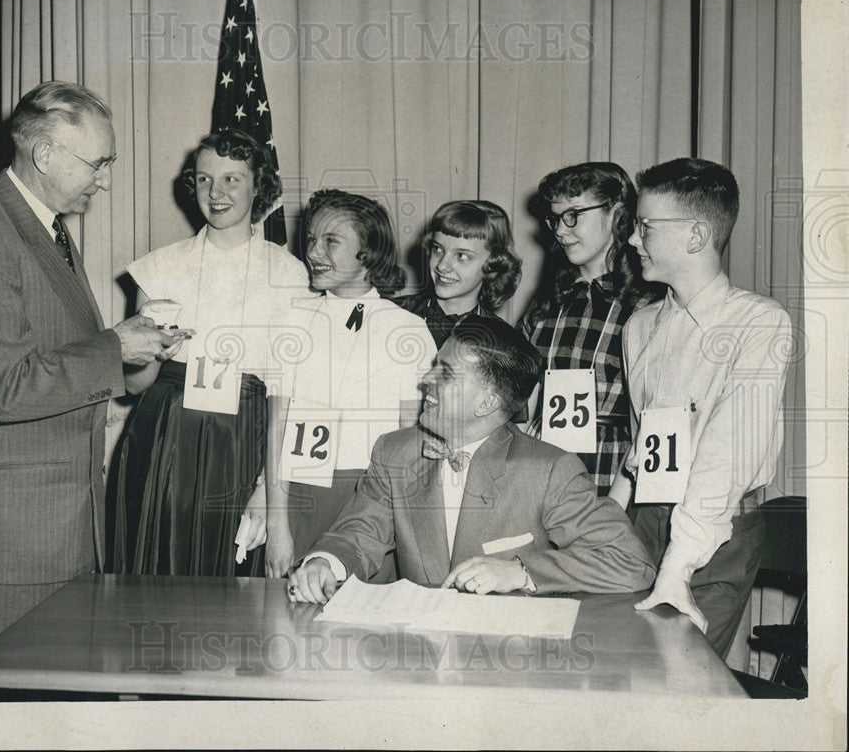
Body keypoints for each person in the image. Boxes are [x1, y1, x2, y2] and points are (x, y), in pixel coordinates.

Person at [0, 81, 179, 664]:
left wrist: (127, 350)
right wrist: (114, 345)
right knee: (11, 709)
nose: (106, 178)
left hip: (59, 525)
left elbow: (57, 352)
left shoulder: (42, 225)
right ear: (45, 156)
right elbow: (4, 388)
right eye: (99, 162)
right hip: (10, 540)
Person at [287, 314, 656, 603]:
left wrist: (520, 572)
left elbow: (631, 563)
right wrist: (325, 562)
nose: (426, 379)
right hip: (419, 654)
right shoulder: (395, 451)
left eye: (445, 374)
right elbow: (358, 533)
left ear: (487, 403)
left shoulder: (548, 471)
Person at [609, 157, 793, 658]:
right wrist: (609, 521)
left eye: (645, 226)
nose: (630, 239)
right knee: (620, 667)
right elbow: (642, 444)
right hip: (646, 515)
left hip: (719, 527)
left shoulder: (758, 323)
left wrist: (677, 565)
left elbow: (726, 455)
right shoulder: (638, 327)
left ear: (695, 235)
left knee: (674, 675)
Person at [109, 129, 311, 577]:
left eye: (231, 180)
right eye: (203, 180)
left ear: (259, 186)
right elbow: (132, 386)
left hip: (244, 441)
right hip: (164, 437)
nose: (215, 193)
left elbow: (289, 394)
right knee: (159, 572)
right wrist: (153, 354)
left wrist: (267, 489)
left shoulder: (288, 273)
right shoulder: (158, 266)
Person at [256, 190, 436, 579]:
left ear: (368, 252)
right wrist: (277, 526)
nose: (314, 252)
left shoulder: (406, 328)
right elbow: (277, 428)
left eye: (331, 241)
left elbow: (410, 439)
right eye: (311, 239)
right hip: (300, 495)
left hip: (371, 501)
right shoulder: (291, 320)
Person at [519, 162, 655, 497]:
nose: (560, 231)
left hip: (610, 476)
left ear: (617, 214)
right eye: (555, 218)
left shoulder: (650, 305)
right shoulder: (546, 303)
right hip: (540, 475)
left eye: (574, 215)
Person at [396, 200, 521, 349]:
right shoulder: (391, 313)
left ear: (493, 264)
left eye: (462, 256)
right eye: (437, 249)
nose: (442, 266)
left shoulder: (501, 341)